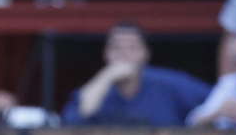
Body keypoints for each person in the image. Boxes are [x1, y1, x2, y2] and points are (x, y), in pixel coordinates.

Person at [61, 22, 211, 127]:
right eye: (116, 48)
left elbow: (214, 99)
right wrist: (106, 76)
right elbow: (71, 121)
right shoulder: (97, 89)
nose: (124, 54)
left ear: (145, 54)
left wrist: (206, 118)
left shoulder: (169, 84)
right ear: (105, 54)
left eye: (132, 47)